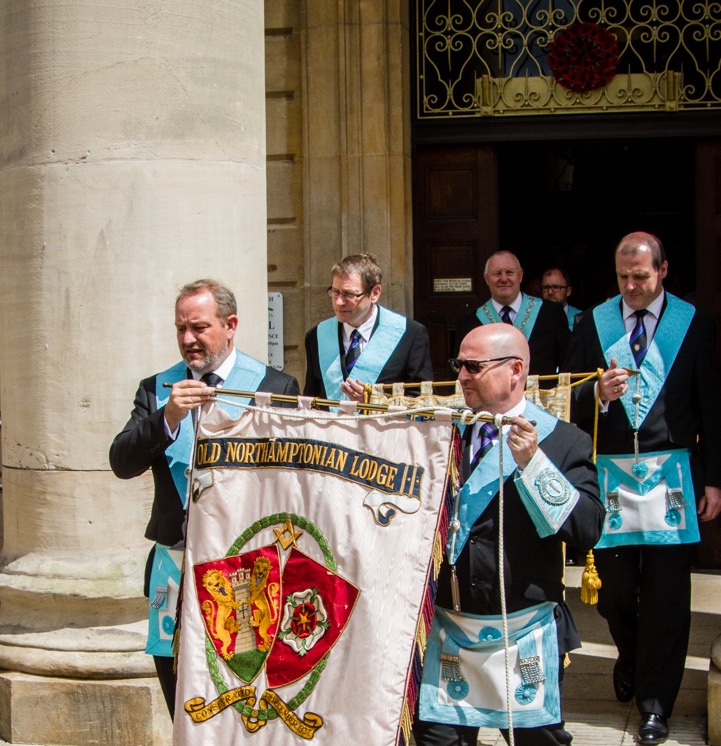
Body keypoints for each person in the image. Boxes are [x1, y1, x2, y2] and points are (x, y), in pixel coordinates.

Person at [368, 322, 607, 746]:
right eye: (459, 365)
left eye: (473, 366)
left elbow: (587, 529)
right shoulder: (440, 434)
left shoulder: (562, 440)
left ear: (515, 371)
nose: (462, 376)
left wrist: (533, 466)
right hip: (449, 631)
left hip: (520, 634)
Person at [109, 278, 299, 716]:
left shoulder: (274, 386)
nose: (188, 339)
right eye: (181, 329)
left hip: (247, 570)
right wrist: (169, 416)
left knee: (240, 703)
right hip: (174, 564)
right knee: (180, 700)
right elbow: (122, 462)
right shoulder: (157, 388)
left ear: (230, 325)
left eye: (199, 327)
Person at [567, 232, 721, 746]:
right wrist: (597, 393)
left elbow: (711, 404)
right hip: (610, 474)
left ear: (663, 271)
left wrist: (714, 478)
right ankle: (631, 655)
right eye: (623, 277)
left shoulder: (693, 323)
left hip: (671, 474)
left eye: (641, 277)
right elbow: (567, 394)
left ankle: (656, 702)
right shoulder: (593, 322)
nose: (631, 287)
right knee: (613, 593)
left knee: (667, 597)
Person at [304, 252, 431, 402]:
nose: (339, 302)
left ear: (375, 293)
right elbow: (310, 399)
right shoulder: (317, 336)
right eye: (335, 292)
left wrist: (376, 401)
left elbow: (423, 399)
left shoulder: (410, 335)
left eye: (349, 294)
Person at [453, 250, 570, 379]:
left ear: (520, 275)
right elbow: (460, 374)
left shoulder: (551, 313)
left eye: (509, 273)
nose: (504, 279)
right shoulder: (469, 324)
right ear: (486, 279)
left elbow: (568, 363)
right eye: (497, 274)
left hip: (541, 392)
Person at [542, 266, 581, 330]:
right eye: (546, 287)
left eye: (556, 287)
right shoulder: (533, 317)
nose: (550, 292)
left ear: (568, 291)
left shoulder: (580, 319)